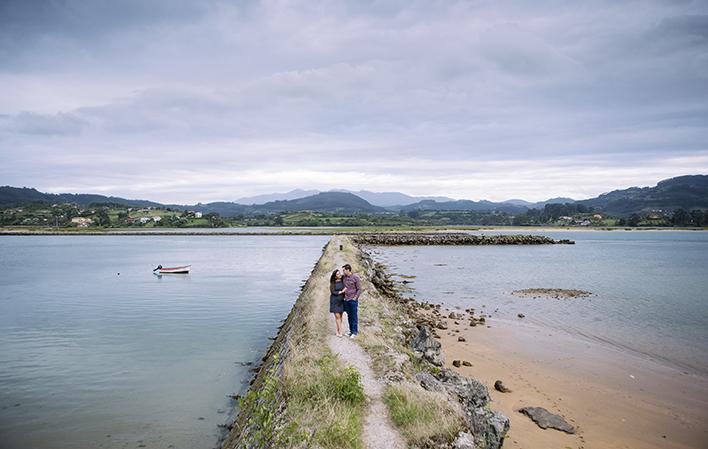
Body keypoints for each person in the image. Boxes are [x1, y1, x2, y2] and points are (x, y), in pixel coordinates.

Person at [341, 263, 361, 338]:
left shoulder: (356, 277)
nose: (343, 272)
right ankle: (350, 330)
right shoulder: (344, 277)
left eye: (344, 270)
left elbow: (359, 289)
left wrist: (355, 298)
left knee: (354, 316)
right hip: (346, 300)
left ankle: (354, 332)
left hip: (353, 300)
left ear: (348, 270)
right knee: (349, 316)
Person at [329, 269, 346, 337]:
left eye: (339, 273)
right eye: (338, 274)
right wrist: (341, 292)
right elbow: (333, 292)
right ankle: (341, 331)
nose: (339, 275)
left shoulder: (343, 280)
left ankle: (337, 330)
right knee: (337, 316)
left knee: (340, 316)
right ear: (335, 276)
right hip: (334, 301)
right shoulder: (333, 283)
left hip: (341, 301)